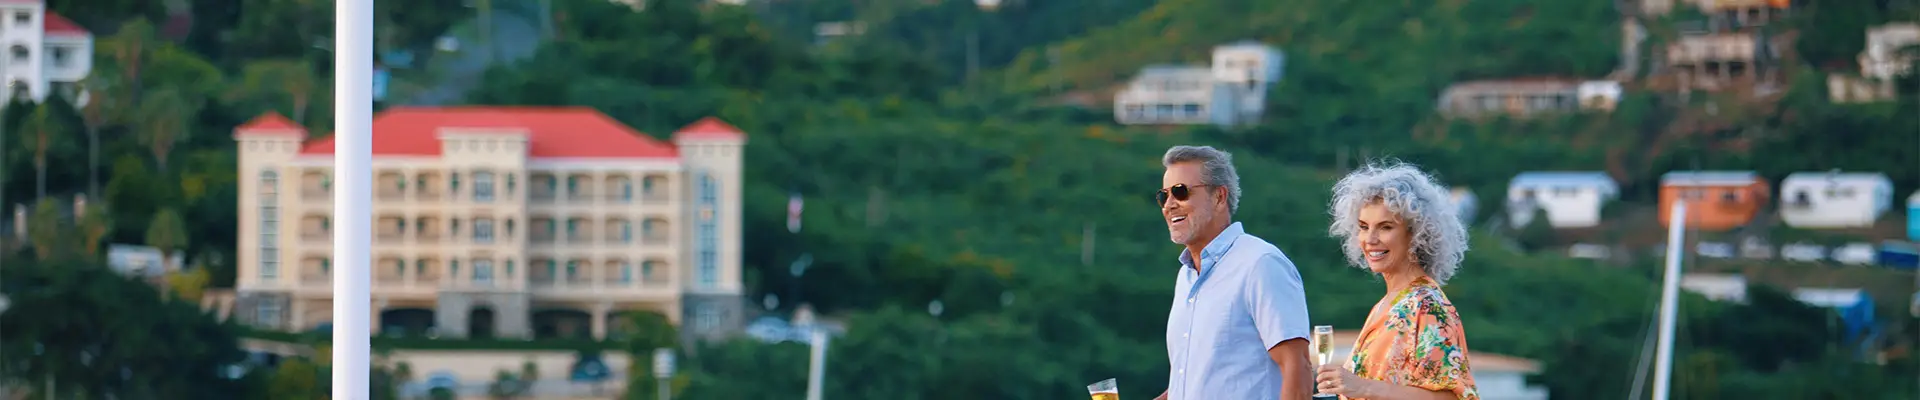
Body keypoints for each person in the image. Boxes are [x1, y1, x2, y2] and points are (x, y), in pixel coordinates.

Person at [1154, 145, 1314, 400]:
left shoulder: (1260, 263)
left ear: (1219, 197)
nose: (1169, 205)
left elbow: (1298, 368)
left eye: (1180, 192)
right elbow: (1191, 384)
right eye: (1164, 196)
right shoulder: (1186, 276)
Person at [1314, 161, 1479, 400]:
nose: (1370, 239)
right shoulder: (1389, 303)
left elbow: (1451, 398)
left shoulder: (1427, 306)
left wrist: (1363, 387)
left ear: (1417, 234)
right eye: (1363, 226)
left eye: (1385, 227)